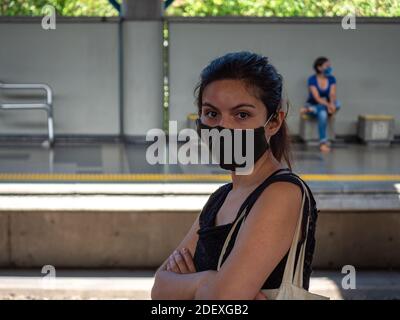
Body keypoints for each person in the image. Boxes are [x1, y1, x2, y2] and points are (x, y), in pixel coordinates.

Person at [151, 51, 319, 300]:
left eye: (242, 115)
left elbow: (223, 299)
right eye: (211, 113)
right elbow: (159, 289)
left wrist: (192, 284)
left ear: (274, 122)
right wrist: (207, 282)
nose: (223, 126)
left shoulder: (282, 192)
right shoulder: (221, 197)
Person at [300, 57, 341, 153]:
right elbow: (316, 98)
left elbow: (332, 94)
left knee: (338, 103)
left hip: (324, 106)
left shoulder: (331, 79)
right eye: (327, 66)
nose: (329, 67)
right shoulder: (312, 79)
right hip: (314, 103)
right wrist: (329, 106)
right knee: (323, 114)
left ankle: (311, 109)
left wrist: (332, 104)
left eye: (329, 66)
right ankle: (323, 143)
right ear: (319, 67)